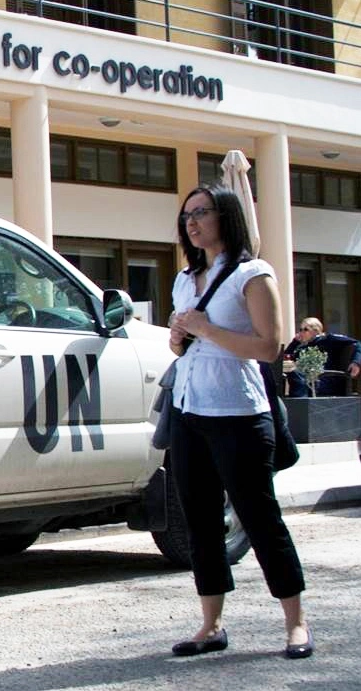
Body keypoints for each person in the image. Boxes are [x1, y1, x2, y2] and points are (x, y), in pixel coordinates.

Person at [168, 182, 313, 659]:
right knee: (202, 523)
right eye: (187, 214)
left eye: (202, 212)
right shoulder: (186, 278)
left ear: (225, 216)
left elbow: (269, 347)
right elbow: (183, 346)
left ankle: (296, 624)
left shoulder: (253, 273)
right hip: (190, 410)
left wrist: (205, 327)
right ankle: (210, 626)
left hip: (238, 413)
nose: (192, 222)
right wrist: (178, 337)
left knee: (260, 518)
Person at [284, 317, 361, 397]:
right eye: (300, 329)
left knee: (296, 373)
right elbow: (286, 358)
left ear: (315, 331)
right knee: (291, 371)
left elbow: (357, 344)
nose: (301, 333)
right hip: (308, 382)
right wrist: (294, 342)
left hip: (325, 380)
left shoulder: (328, 340)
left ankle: (299, 404)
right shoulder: (303, 348)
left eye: (305, 329)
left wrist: (356, 362)